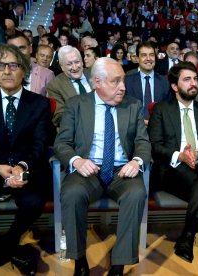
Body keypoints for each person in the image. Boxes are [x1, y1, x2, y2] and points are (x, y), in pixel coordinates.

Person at [53, 57, 151, 276]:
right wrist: (76, 160)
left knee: (136, 193)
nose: (123, 87)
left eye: (123, 81)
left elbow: (143, 143)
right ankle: (79, 260)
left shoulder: (133, 105)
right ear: (97, 82)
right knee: (71, 193)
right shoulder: (76, 105)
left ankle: (119, 264)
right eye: (115, 81)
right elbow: (61, 143)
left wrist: (136, 161)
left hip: (121, 170)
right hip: (87, 169)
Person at [148, 62, 198, 276]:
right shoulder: (161, 110)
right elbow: (155, 146)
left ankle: (188, 236)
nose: (193, 84)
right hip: (173, 170)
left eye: (194, 79)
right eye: (187, 79)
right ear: (174, 86)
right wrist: (179, 155)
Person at [0, 44, 51, 274]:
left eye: (13, 65)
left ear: (23, 70)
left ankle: (0, 250)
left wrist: (21, 167)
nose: (6, 71)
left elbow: (40, 143)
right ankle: (6, 249)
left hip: (27, 169)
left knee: (33, 202)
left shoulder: (39, 104)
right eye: (0, 65)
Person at [47, 45, 92, 127]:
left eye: (77, 62)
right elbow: (58, 118)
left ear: (82, 62)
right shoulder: (55, 85)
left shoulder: (94, 74)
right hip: (77, 131)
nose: (74, 68)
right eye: (69, 64)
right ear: (62, 66)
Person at [125, 41, 170, 121]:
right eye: (144, 55)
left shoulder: (165, 82)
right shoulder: (127, 81)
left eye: (151, 55)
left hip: (158, 127)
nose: (148, 59)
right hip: (135, 127)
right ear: (137, 59)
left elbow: (168, 109)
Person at [7, 32, 55, 97]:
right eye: (13, 49)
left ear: (30, 49)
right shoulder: (0, 73)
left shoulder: (47, 74)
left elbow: (51, 104)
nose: (18, 52)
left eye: (22, 48)